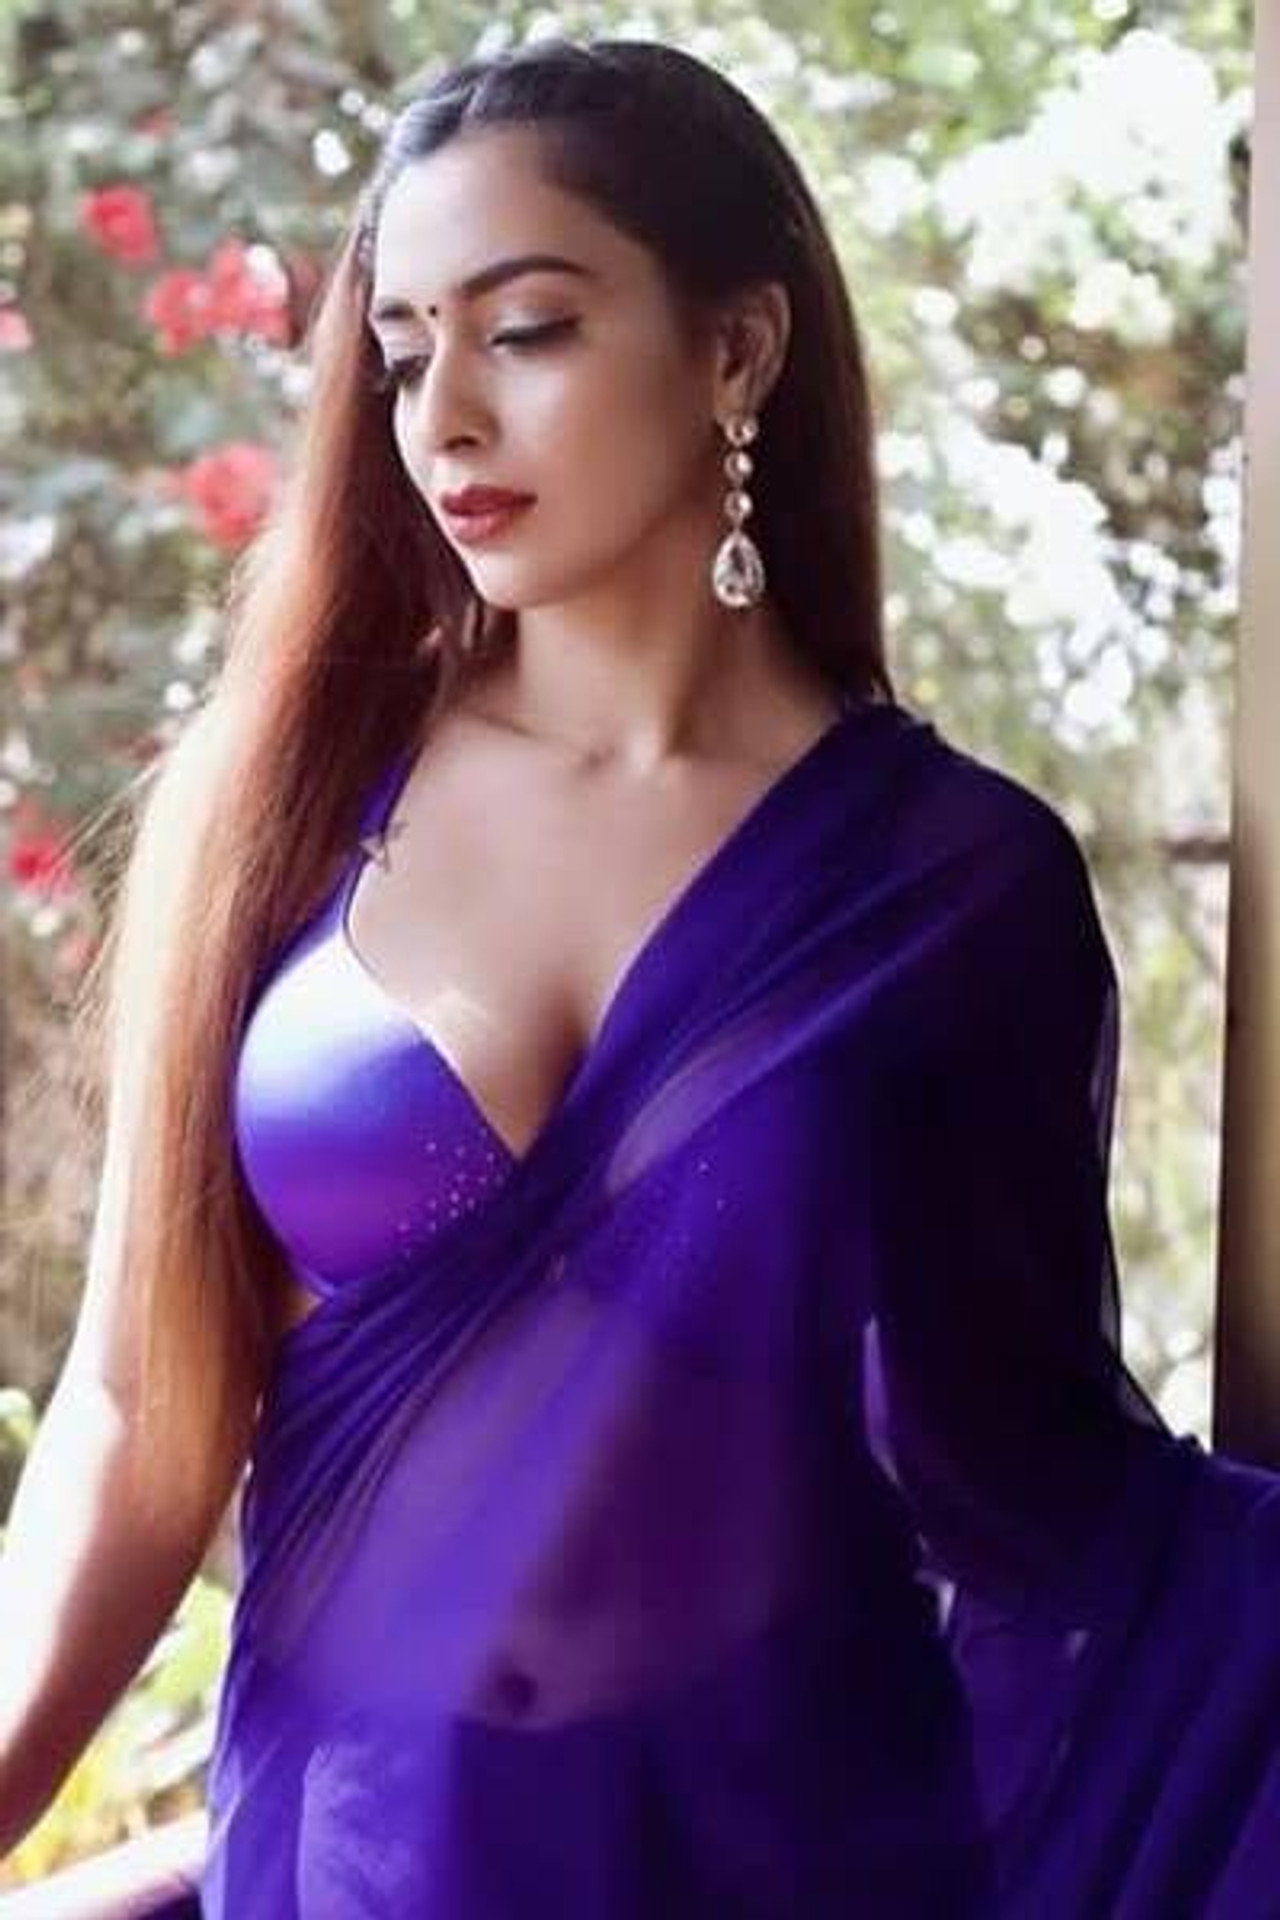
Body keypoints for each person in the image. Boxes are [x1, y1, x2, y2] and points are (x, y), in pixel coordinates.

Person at [1, 33, 1277, 1919]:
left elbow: (1037, 1489)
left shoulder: (958, 885)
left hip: (794, 1862)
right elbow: (135, 1412)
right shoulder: (285, 799)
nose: (444, 417)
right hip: (353, 1861)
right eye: (405, 351)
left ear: (737, 350)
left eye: (525, 330)